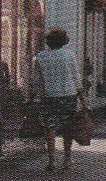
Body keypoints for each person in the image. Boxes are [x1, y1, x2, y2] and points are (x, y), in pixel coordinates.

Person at [32, 28, 81, 172]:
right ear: (64, 41)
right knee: (67, 128)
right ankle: (66, 159)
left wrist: (35, 96)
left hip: (48, 96)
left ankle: (51, 160)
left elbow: (37, 80)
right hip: (68, 95)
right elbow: (76, 78)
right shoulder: (69, 56)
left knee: (50, 127)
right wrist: (83, 99)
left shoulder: (40, 57)